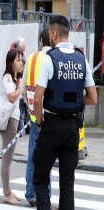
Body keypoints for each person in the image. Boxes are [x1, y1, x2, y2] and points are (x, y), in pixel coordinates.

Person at [33, 15, 97, 210]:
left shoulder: (49, 59)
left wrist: (40, 121)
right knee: (67, 184)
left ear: (53, 34)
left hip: (52, 126)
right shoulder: (81, 58)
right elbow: (93, 98)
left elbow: (37, 99)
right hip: (72, 129)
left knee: (40, 177)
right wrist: (76, 101)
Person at [21, 28, 52, 207]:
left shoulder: (32, 59)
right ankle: (45, 196)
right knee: (48, 159)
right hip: (52, 118)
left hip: (34, 117)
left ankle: (30, 193)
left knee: (33, 155)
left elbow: (25, 90)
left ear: (41, 41)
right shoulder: (54, 58)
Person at [0, 48, 23, 205]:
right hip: (9, 122)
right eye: (18, 60)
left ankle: (8, 190)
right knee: (6, 160)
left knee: (8, 159)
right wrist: (20, 87)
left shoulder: (15, 79)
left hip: (14, 121)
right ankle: (7, 193)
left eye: (22, 59)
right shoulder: (8, 78)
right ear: (11, 63)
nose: (21, 62)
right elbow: (12, 97)